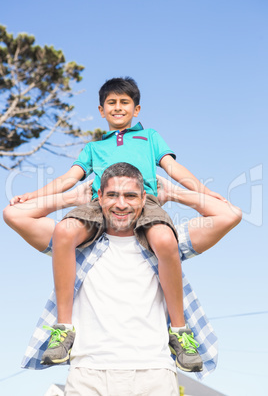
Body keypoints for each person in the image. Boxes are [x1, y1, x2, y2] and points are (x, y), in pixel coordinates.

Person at [8, 77, 227, 371]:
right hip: (101, 203)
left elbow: (173, 168)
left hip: (144, 201)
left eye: (125, 102)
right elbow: (68, 179)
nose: (118, 107)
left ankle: (179, 332)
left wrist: (203, 191)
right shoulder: (94, 147)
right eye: (111, 102)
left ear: (137, 109)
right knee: (63, 230)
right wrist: (32, 195)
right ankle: (63, 329)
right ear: (101, 110)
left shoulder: (149, 137)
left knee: (164, 240)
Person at [3, 163, 242, 393]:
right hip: (88, 374)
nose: (121, 204)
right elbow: (14, 214)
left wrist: (174, 193)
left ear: (144, 200)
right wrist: (71, 197)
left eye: (130, 196)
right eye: (112, 195)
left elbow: (229, 214)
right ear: (99, 197)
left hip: (154, 373)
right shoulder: (78, 247)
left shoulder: (166, 242)